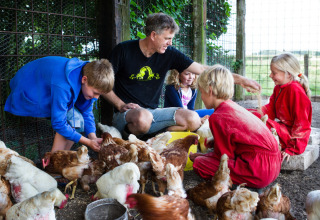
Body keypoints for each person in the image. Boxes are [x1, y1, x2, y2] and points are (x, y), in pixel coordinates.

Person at [103, 12, 261, 138]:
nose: (170, 43)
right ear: (153, 35)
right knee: (143, 118)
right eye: (167, 38)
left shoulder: (168, 53)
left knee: (192, 118)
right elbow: (101, 83)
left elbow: (202, 69)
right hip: (127, 116)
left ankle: (155, 140)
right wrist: (119, 104)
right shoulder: (123, 50)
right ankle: (128, 142)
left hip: (154, 113)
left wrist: (240, 79)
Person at [189, 64, 281, 189]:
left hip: (259, 170)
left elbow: (224, 157)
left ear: (210, 90)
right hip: (274, 165)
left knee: (200, 164)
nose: (202, 97)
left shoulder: (218, 116)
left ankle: (241, 185)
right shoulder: (233, 107)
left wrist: (203, 157)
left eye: (201, 92)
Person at [4, 56, 114, 152]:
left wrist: (93, 137)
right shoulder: (63, 85)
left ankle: (61, 158)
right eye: (95, 93)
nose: (96, 97)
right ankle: (54, 160)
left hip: (48, 84)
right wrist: (87, 142)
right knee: (74, 119)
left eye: (100, 94)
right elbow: (59, 123)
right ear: (84, 79)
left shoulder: (89, 75)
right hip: (28, 88)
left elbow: (86, 110)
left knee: (77, 121)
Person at [249, 52, 312, 162]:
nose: (270, 75)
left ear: (288, 74)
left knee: (263, 125)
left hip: (290, 134)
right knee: (248, 114)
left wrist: (292, 149)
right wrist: (252, 113)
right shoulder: (279, 88)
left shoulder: (295, 90)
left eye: (274, 73)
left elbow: (302, 125)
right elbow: (271, 110)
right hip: (283, 128)